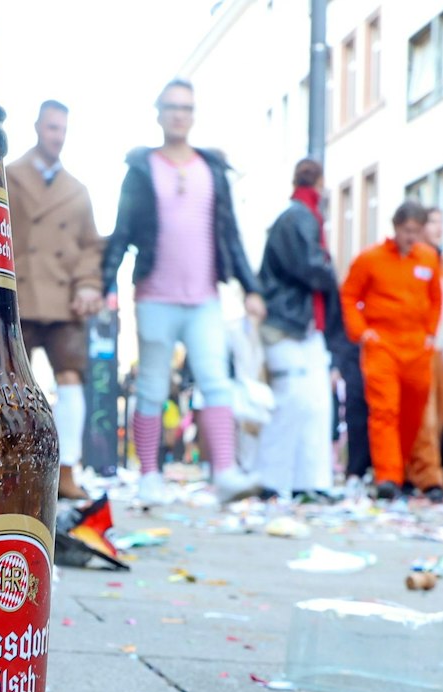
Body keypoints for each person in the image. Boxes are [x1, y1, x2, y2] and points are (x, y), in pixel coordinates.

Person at [102, 78, 266, 505]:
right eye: (172, 106)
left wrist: (250, 288)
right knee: (153, 385)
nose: (179, 114)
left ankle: (225, 472)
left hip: (206, 299)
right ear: (158, 113)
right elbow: (121, 232)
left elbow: (229, 232)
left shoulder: (211, 169)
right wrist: (106, 286)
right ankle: (150, 476)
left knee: (217, 380)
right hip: (155, 294)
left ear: (194, 115)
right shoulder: (141, 168)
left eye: (186, 107)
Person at [7, 100, 106, 500]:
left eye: (63, 129)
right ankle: (12, 469)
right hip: (19, 293)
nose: (58, 137)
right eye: (52, 128)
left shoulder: (77, 191)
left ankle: (66, 471)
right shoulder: (8, 175)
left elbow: (90, 247)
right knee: (8, 384)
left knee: (71, 380)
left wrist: (88, 285)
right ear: (37, 127)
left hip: (64, 298)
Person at [340, 200, 443, 498]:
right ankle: (388, 476)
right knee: (384, 410)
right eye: (407, 230)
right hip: (382, 344)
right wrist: (362, 332)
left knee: (414, 412)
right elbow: (349, 294)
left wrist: (430, 333)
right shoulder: (370, 259)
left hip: (416, 346)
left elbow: (436, 299)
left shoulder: (427, 259)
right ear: (396, 227)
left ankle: (408, 470)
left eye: (416, 231)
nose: (411, 237)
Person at [256, 158, 341, 501]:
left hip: (297, 323)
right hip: (290, 322)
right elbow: (311, 267)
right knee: (296, 401)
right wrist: (329, 269)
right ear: (319, 184)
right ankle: (287, 480)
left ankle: (303, 481)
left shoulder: (296, 216)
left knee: (312, 402)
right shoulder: (300, 218)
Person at [405, 206, 443, 500]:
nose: (438, 228)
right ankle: (425, 475)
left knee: (441, 416)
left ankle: (429, 472)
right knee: (423, 415)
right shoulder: (414, 260)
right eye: (433, 222)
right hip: (421, 345)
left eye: (441, 222)